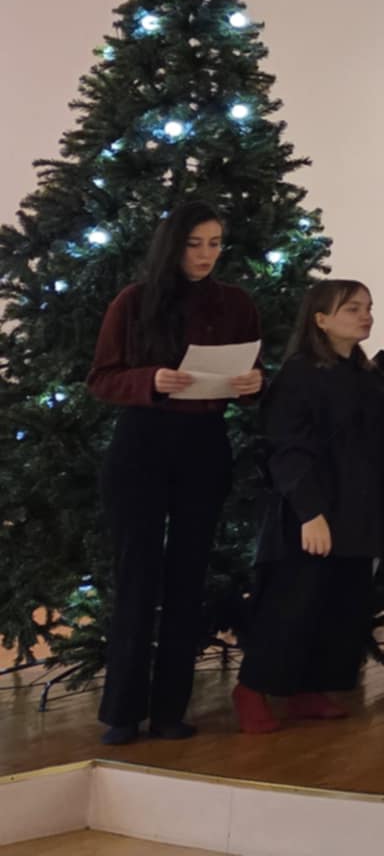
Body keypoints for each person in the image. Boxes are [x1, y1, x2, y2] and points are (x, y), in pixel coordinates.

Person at [88, 201, 265, 744]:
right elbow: (101, 378)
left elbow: (251, 370)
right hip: (142, 440)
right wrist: (151, 381)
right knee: (136, 574)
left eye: (215, 243)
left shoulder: (235, 303)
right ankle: (122, 712)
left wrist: (254, 383)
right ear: (173, 245)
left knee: (188, 577)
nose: (207, 254)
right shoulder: (133, 301)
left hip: (204, 443)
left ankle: (170, 709)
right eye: (195, 244)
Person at [233, 280, 384, 734]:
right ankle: (252, 688)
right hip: (309, 512)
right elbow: (287, 448)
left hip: (355, 510)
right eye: (353, 308)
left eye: (368, 307)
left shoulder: (364, 375)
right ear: (321, 319)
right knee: (293, 604)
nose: (365, 315)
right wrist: (309, 512)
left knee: (340, 606)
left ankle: (309, 688)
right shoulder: (298, 375)